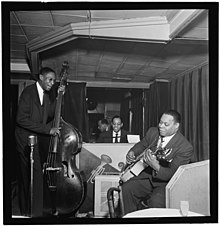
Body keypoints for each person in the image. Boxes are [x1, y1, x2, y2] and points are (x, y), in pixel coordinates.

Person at [120, 109, 193, 215]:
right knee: (126, 189)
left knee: (156, 202)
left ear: (176, 126)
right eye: (160, 122)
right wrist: (132, 152)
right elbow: (143, 144)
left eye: (166, 124)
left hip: (166, 183)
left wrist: (155, 166)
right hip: (148, 177)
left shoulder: (185, 147)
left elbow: (172, 173)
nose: (161, 126)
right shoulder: (153, 132)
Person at [15, 67, 65, 217]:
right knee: (28, 177)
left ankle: (34, 213)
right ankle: (28, 213)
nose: (52, 83)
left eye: (54, 81)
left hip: (35, 140)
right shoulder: (28, 92)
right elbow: (21, 119)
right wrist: (47, 130)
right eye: (50, 79)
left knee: (35, 178)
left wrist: (58, 96)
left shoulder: (47, 96)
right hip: (24, 141)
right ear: (41, 77)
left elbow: (50, 114)